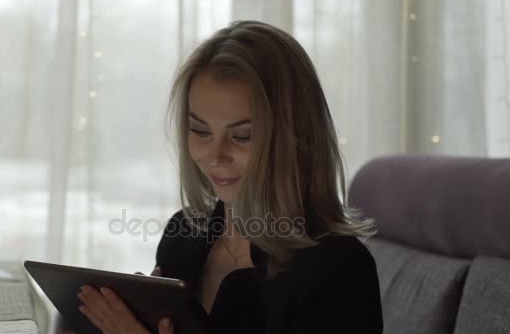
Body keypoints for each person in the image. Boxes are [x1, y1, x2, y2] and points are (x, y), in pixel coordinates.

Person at [77, 20, 383, 334]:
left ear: (294, 139)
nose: (215, 155)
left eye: (242, 136)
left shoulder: (339, 269)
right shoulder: (181, 235)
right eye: (200, 130)